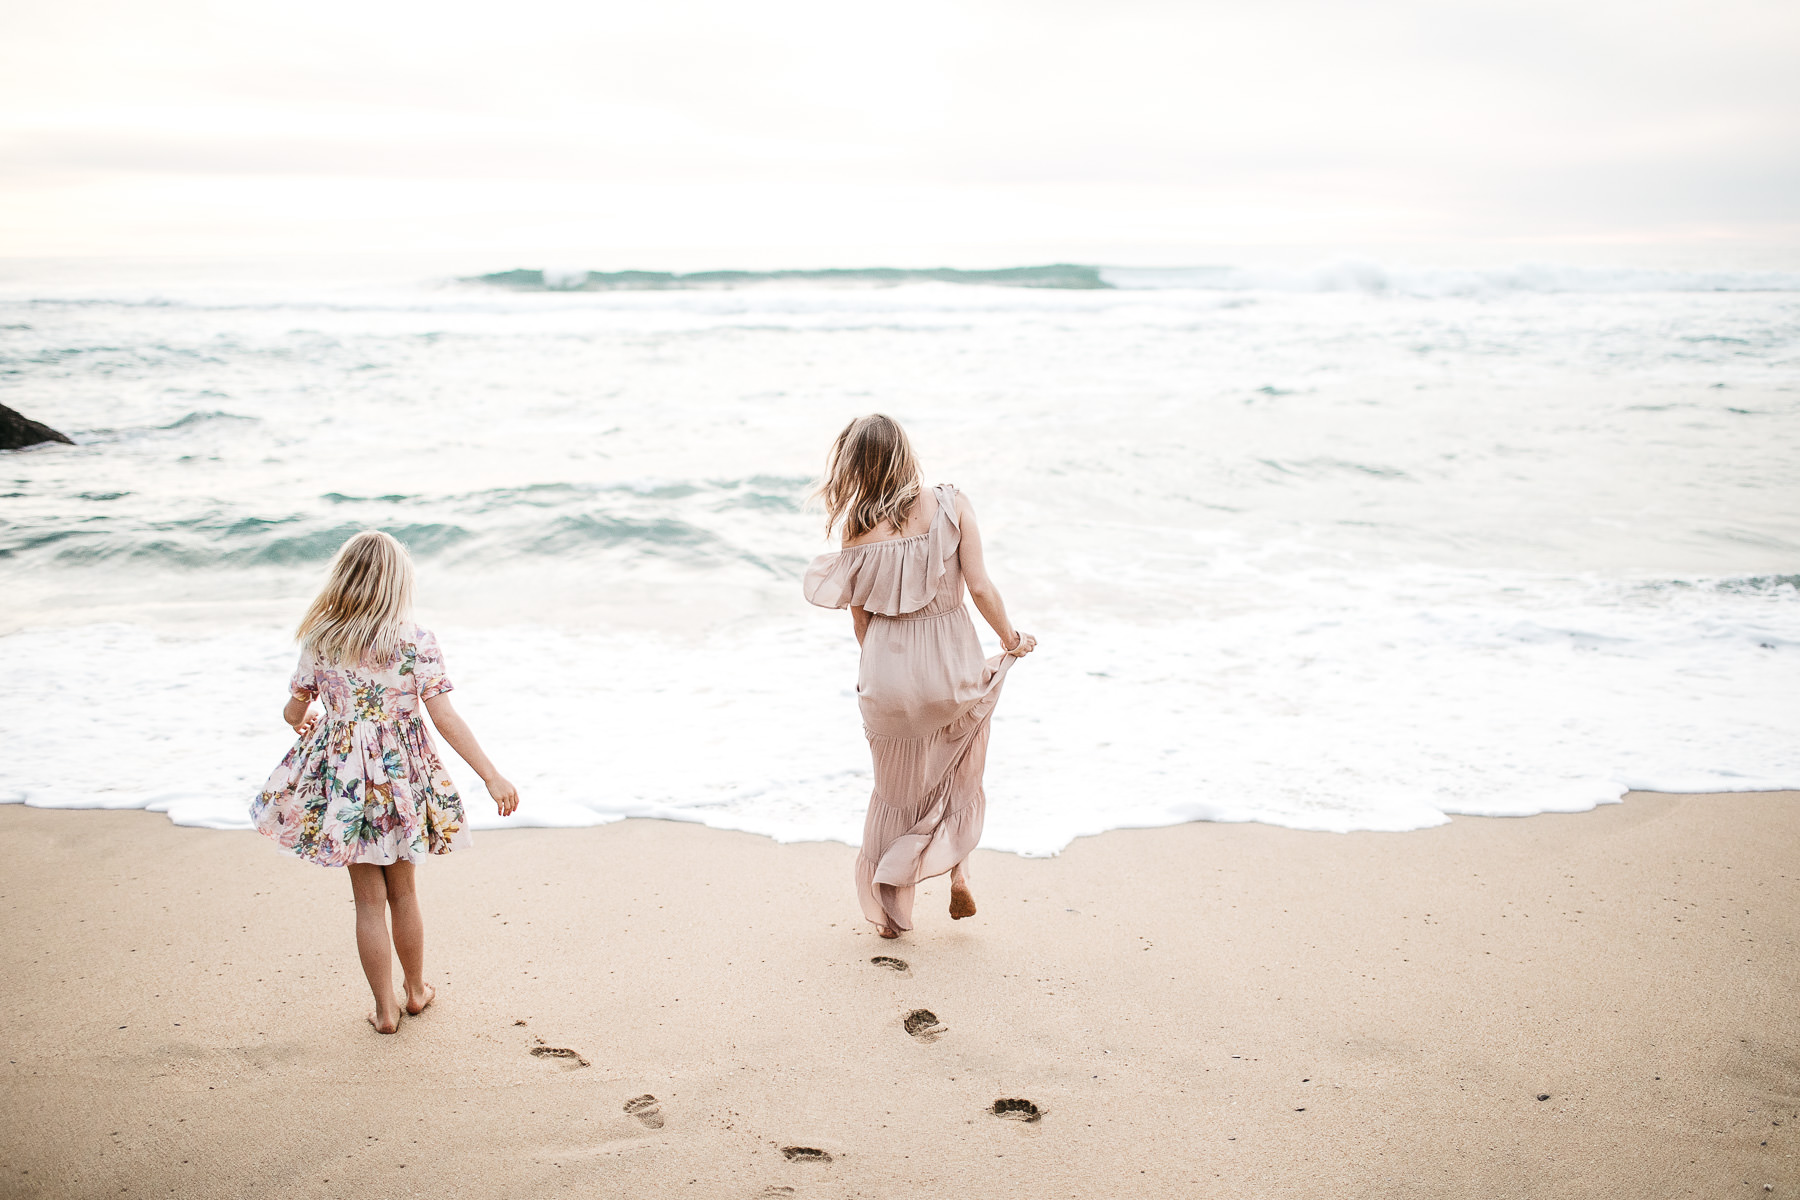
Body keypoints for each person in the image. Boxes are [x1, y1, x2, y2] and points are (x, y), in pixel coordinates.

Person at [251, 530, 519, 1033]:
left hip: (344, 784)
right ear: (398, 582)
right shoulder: (415, 640)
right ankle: (415, 991)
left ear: (343, 577)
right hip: (399, 780)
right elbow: (444, 716)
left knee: (367, 900)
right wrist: (491, 774)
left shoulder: (322, 639)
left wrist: (304, 717)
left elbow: (294, 709)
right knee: (403, 892)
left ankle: (383, 1009)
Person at [803, 414, 1036, 938]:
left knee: (895, 794)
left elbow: (860, 619)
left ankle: (890, 916)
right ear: (904, 453)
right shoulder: (951, 504)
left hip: (888, 677)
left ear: (853, 464)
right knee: (959, 766)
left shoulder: (856, 529)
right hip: (951, 668)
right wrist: (1010, 640)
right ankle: (959, 870)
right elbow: (979, 587)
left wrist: (888, 670)